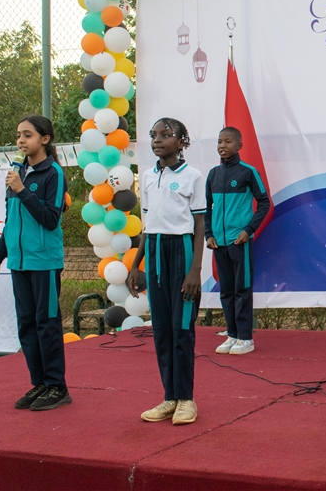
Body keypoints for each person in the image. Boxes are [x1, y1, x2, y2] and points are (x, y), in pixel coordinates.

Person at [0, 115, 70, 411]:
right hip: (18, 263)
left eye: (27, 135)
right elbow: (11, 223)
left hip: (43, 262)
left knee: (47, 324)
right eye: (18, 135)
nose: (21, 140)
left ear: (44, 139)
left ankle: (57, 386)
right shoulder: (16, 173)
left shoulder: (52, 173)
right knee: (27, 325)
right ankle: (40, 383)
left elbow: (49, 219)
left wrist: (21, 190)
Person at [128, 118, 206, 426]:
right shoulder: (147, 176)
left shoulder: (193, 177)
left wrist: (195, 270)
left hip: (182, 251)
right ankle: (169, 397)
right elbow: (147, 226)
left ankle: (186, 399)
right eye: (154, 135)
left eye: (166, 134)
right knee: (161, 330)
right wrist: (136, 264)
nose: (158, 140)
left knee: (181, 329)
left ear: (182, 141)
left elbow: (200, 225)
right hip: (156, 251)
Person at [205, 127, 271, 356]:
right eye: (219, 141)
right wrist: (208, 234)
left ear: (239, 146)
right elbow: (207, 207)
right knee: (226, 290)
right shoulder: (213, 174)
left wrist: (248, 230)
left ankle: (245, 338)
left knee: (241, 289)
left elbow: (264, 203)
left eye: (228, 141)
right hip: (219, 243)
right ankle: (232, 334)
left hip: (239, 242)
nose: (222, 145)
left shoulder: (248, 172)